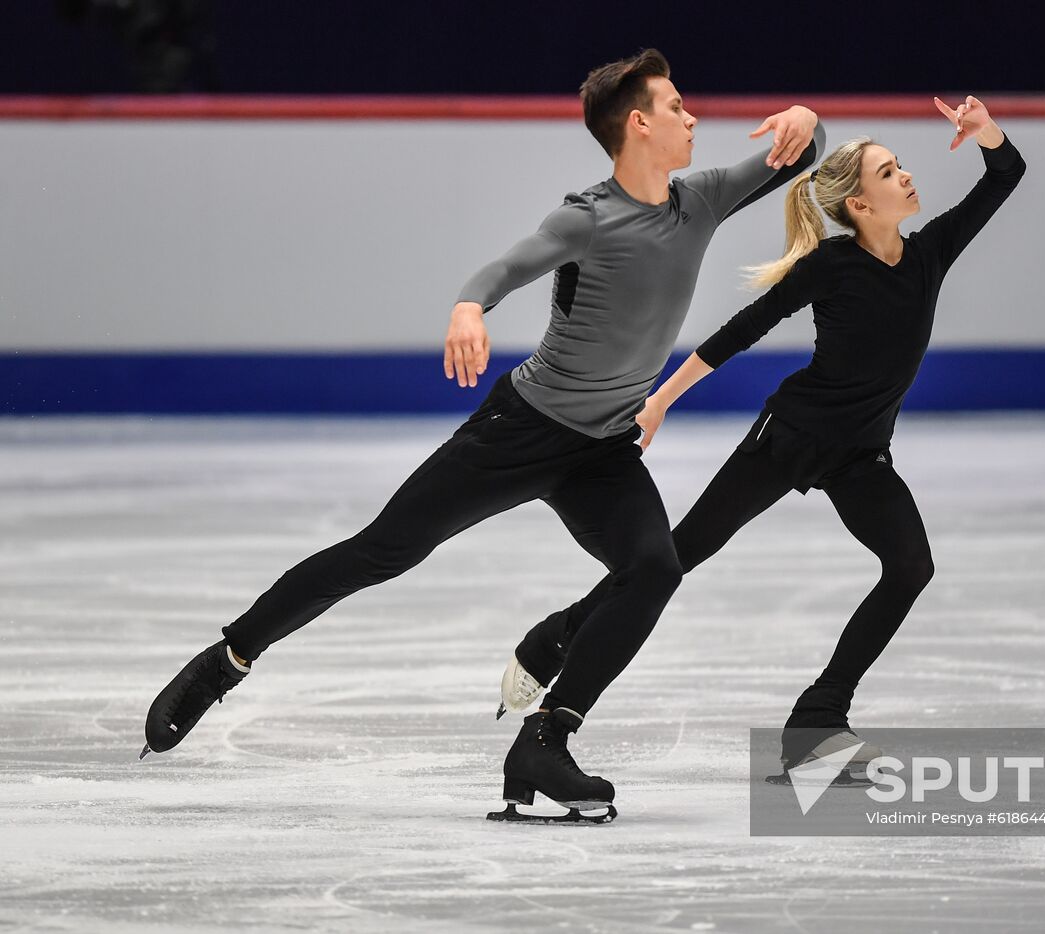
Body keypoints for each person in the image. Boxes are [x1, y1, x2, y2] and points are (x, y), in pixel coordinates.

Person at [142, 48, 825, 824]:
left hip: (600, 449)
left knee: (654, 568)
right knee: (383, 550)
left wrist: (810, 119)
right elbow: (504, 269)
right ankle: (225, 660)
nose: (693, 116)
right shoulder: (588, 216)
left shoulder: (700, 199)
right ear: (638, 124)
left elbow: (803, 149)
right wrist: (469, 308)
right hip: (521, 430)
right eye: (676, 106)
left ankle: (546, 739)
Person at [500, 95, 1025, 777]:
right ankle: (558, 639)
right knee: (679, 555)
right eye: (890, 173)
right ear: (861, 206)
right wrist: (658, 401)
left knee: (911, 567)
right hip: (790, 437)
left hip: (861, 454)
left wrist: (985, 132)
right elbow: (740, 332)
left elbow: (1004, 174)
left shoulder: (930, 254)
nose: (907, 178)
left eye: (900, 168)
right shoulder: (832, 267)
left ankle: (818, 718)